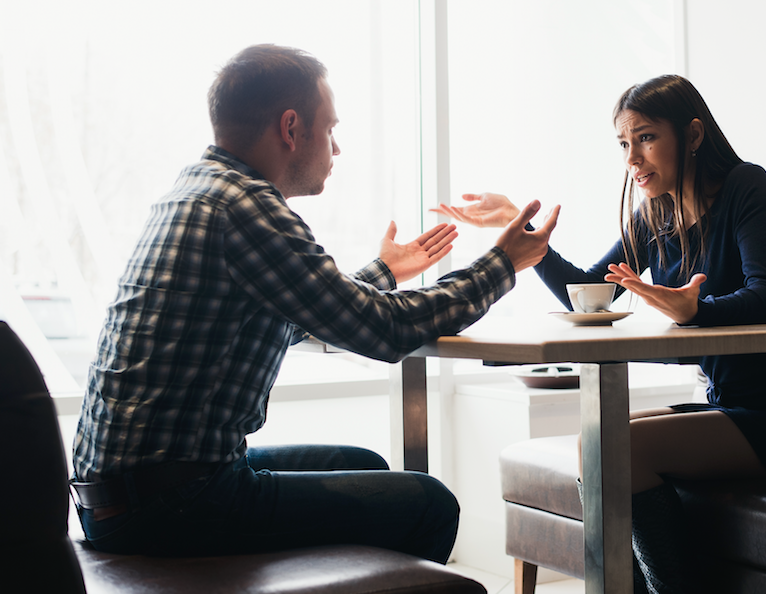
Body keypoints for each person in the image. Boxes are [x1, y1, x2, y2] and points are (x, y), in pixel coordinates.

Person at [70, 44, 559, 562]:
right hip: (170, 503)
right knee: (429, 504)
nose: (337, 148)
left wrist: (386, 272)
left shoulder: (198, 189)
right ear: (290, 127)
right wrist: (501, 263)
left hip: (119, 493)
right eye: (330, 129)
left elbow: (301, 312)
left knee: (366, 466)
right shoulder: (246, 208)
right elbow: (385, 332)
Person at [432, 74, 766, 592]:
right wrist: (522, 238)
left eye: (647, 138)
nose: (633, 159)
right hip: (735, 406)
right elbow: (588, 292)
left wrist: (694, 309)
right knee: (602, 444)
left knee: (617, 451)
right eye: (624, 144)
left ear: (693, 135)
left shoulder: (748, 187)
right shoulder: (655, 215)